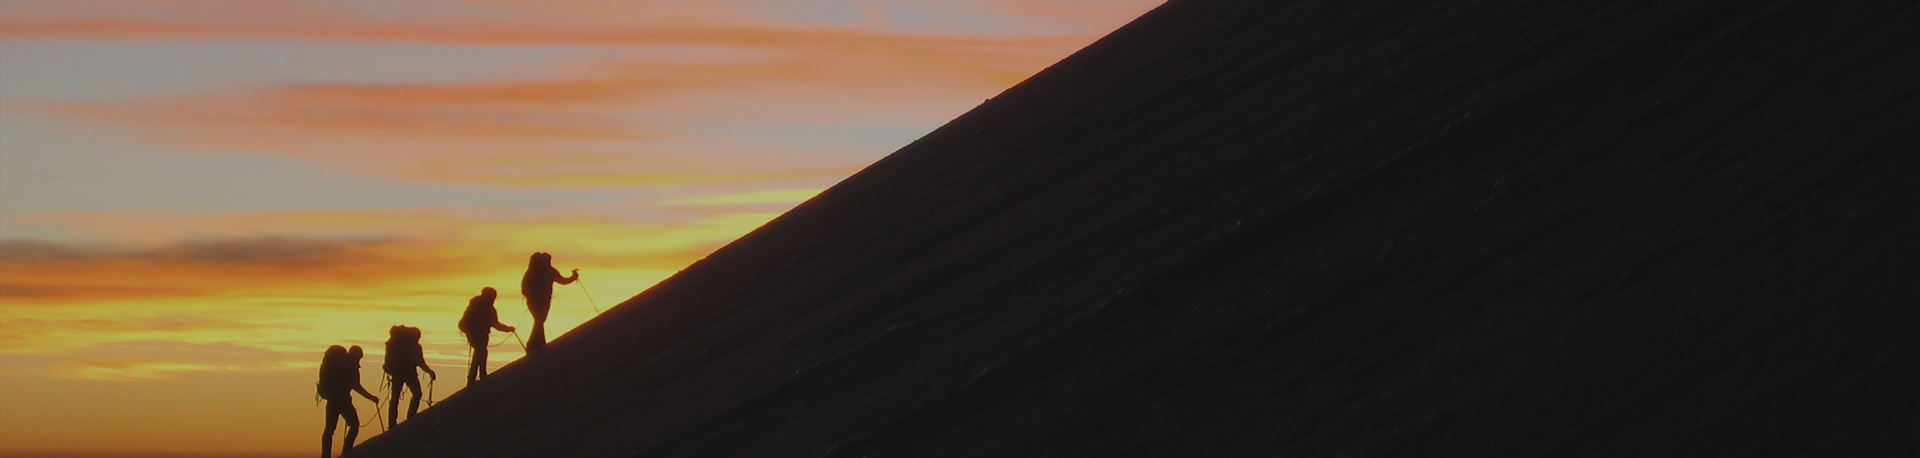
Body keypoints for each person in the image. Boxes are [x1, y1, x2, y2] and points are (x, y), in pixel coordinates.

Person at [318, 345, 378, 458]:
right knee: (354, 424)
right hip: (343, 400)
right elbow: (356, 386)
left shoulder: (338, 363)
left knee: (329, 429)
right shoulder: (351, 366)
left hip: (332, 399)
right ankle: (347, 451)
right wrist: (370, 397)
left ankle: (326, 455)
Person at [520, 252, 577, 351]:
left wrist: (573, 277)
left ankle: (536, 343)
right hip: (542, 300)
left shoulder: (531, 272)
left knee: (539, 320)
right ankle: (534, 344)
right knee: (539, 320)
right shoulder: (549, 271)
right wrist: (573, 277)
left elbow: (523, 287)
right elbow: (563, 281)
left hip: (535, 300)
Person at [382, 325, 436, 428]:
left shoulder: (397, 344)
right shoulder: (414, 346)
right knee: (416, 393)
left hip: (397, 373)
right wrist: (429, 372)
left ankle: (392, 423)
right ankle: (411, 416)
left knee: (395, 398)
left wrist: (429, 371)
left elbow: (419, 362)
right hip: (409, 373)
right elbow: (420, 362)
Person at [459, 287, 515, 383]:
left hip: (476, 333)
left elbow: (495, 324)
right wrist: (508, 329)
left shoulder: (476, 306)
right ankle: (480, 375)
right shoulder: (484, 308)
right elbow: (495, 324)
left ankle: (475, 377)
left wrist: (508, 329)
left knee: (480, 352)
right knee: (481, 351)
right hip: (476, 334)